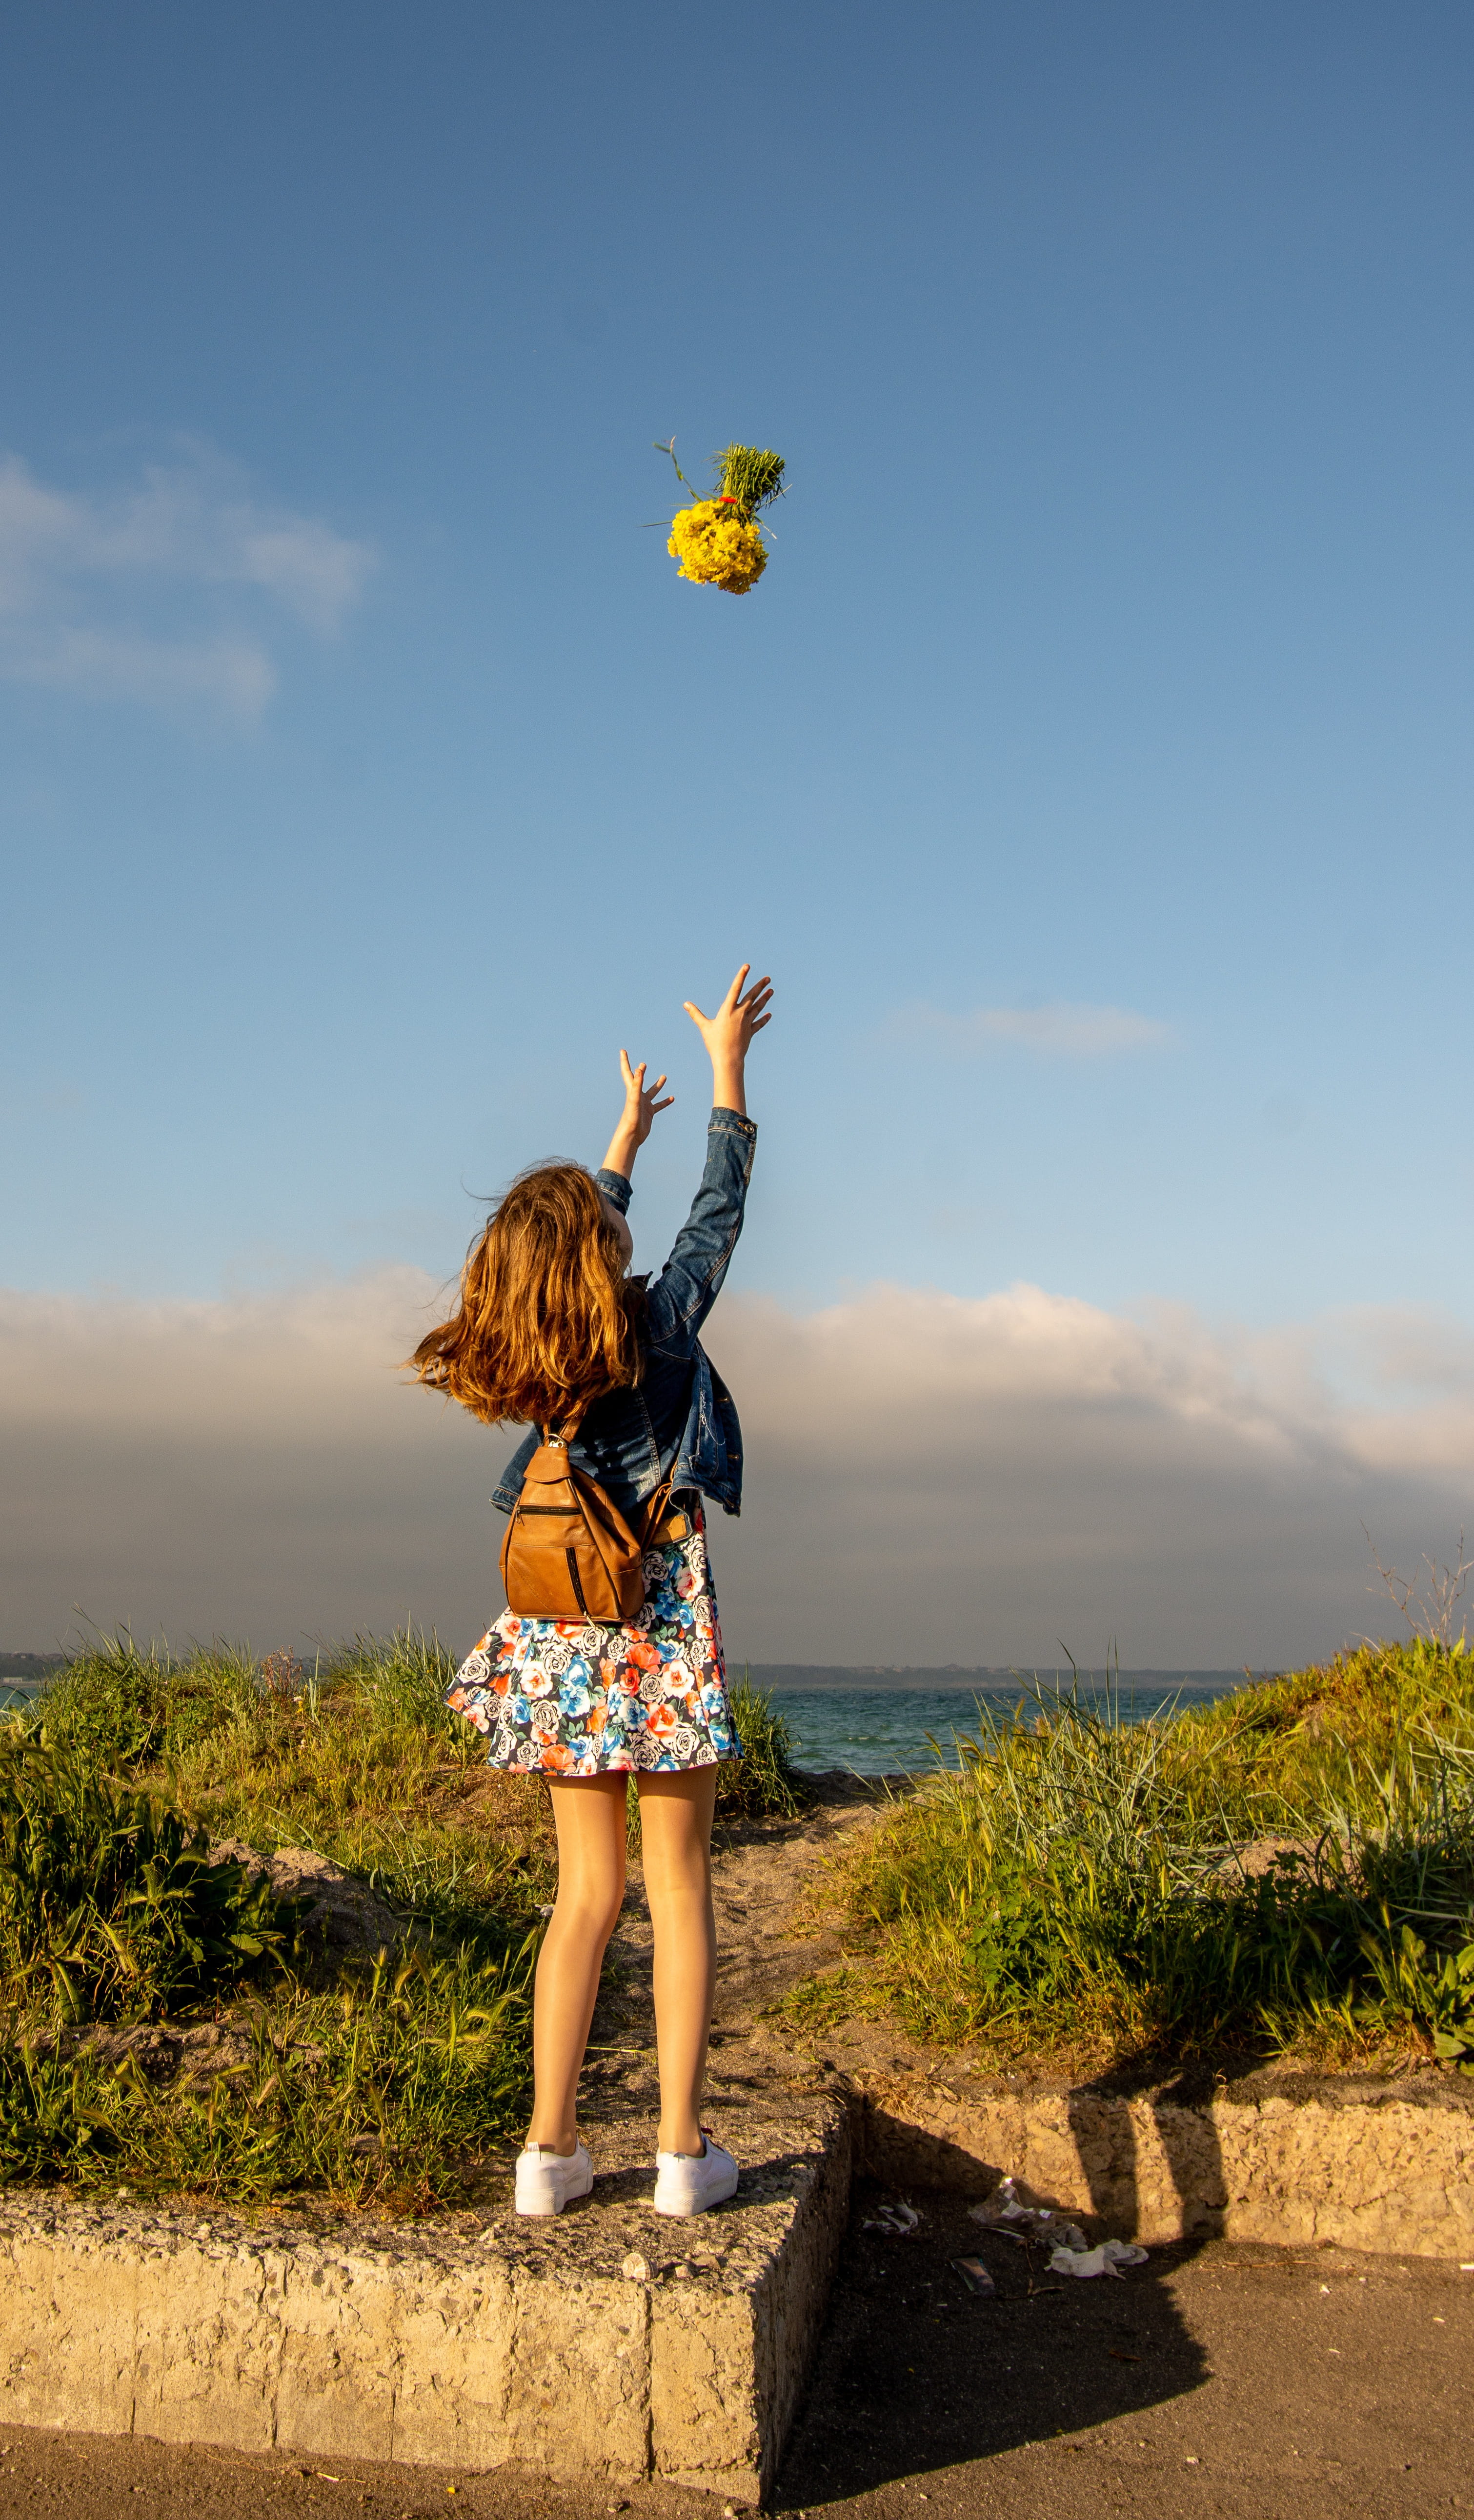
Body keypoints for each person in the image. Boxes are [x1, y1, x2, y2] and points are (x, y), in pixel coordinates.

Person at [408, 964, 773, 2219]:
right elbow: (713, 1218)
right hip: (658, 1617)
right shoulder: (655, 1328)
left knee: (583, 1900)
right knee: (678, 1890)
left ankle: (547, 2154)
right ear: (603, 1257)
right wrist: (727, 1072)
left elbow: (570, 1261)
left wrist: (615, 1147)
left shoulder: (541, 1355)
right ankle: (680, 2156)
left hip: (561, 1626)